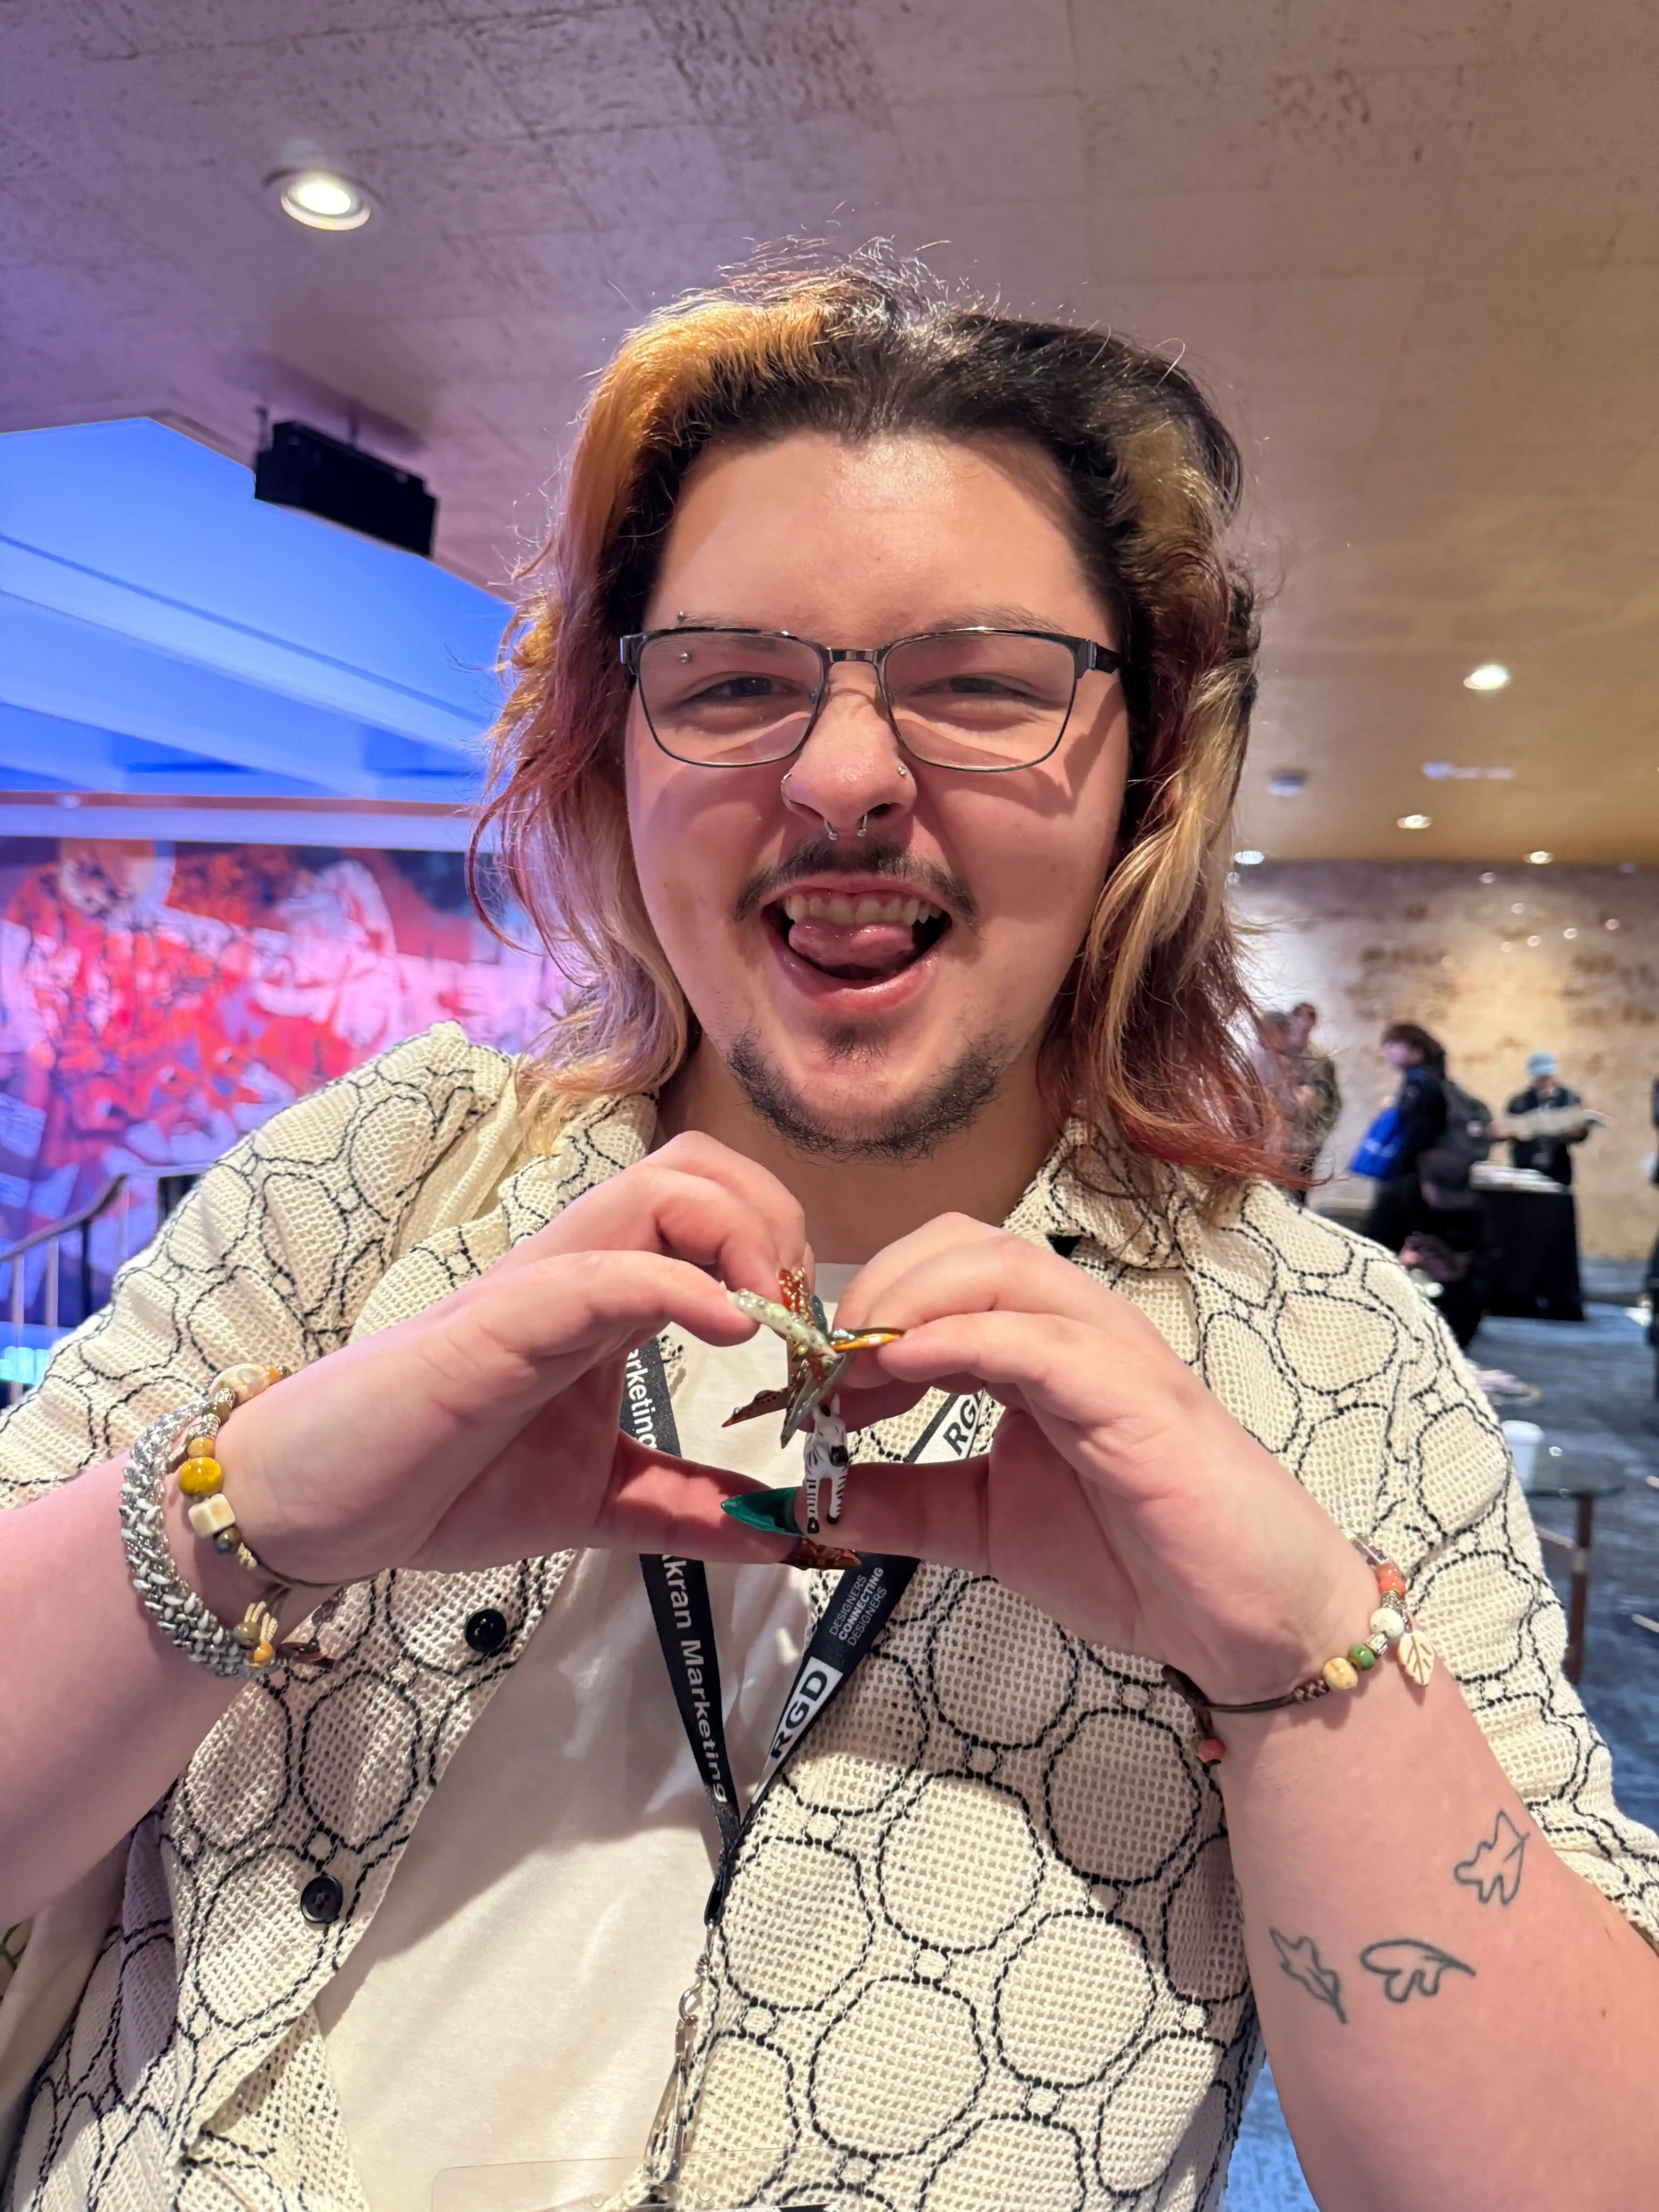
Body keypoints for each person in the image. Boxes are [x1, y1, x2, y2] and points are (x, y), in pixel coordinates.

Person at [2, 261, 1657, 2212]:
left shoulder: (1332, 1359)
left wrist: (1298, 1668)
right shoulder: (366, 1189)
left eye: (980, 682)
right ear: (617, 760)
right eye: (727, 684)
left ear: (1143, 767)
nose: (849, 773)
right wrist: (242, 1508)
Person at [1358, 1020, 1448, 1252]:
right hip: (1417, 1176)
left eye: (1393, 1046)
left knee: (1379, 1242)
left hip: (1407, 1178)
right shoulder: (1432, 1079)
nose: (1387, 1052)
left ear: (1416, 1051)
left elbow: (1418, 1135)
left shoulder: (1419, 1083)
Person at [1503, 1050, 1593, 1187]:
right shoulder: (1519, 1102)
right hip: (1526, 1169)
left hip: (1559, 1169)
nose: (1544, 1082)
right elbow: (1508, 1133)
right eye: (1540, 1078)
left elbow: (1580, 1137)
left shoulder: (1569, 1099)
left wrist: (1579, 1131)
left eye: (1547, 1077)